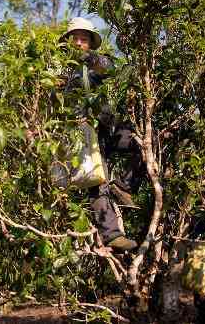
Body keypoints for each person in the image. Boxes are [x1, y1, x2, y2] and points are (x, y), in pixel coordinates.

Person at [58, 17, 143, 251]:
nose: (78, 43)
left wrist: (92, 60)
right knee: (98, 182)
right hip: (85, 134)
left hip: (109, 127)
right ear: (66, 42)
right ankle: (112, 235)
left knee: (142, 145)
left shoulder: (97, 63)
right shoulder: (60, 71)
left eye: (83, 39)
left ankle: (125, 186)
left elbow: (113, 68)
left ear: (90, 44)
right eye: (74, 39)